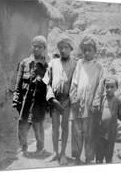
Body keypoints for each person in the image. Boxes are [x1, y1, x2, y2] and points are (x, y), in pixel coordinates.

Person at [69, 35, 104, 164]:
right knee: (77, 131)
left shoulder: (99, 67)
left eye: (90, 50)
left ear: (95, 50)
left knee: (89, 133)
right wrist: (73, 99)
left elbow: (100, 86)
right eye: (84, 50)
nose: (87, 52)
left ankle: (89, 158)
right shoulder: (79, 64)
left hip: (90, 105)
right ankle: (77, 157)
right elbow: (74, 82)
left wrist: (95, 102)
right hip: (78, 103)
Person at [12, 35, 48, 157]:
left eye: (40, 47)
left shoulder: (47, 66)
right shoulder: (24, 63)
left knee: (38, 125)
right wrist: (16, 98)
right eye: (35, 46)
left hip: (39, 102)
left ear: (44, 48)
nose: (37, 49)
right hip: (25, 101)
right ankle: (23, 147)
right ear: (31, 47)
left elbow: (49, 86)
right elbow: (18, 83)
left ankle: (40, 148)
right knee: (22, 124)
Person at [44, 35, 77, 165]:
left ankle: (63, 153)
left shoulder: (75, 64)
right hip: (55, 101)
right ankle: (55, 153)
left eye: (66, 47)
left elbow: (76, 83)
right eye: (61, 47)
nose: (63, 50)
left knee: (64, 127)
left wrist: (69, 100)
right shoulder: (53, 63)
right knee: (55, 127)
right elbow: (47, 82)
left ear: (70, 49)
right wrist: (51, 99)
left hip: (67, 100)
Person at [96, 77, 121, 163]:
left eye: (112, 87)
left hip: (111, 132)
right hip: (101, 131)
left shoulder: (118, 101)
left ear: (116, 88)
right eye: (107, 86)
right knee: (99, 155)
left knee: (109, 155)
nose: (109, 89)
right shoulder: (102, 99)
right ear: (104, 87)